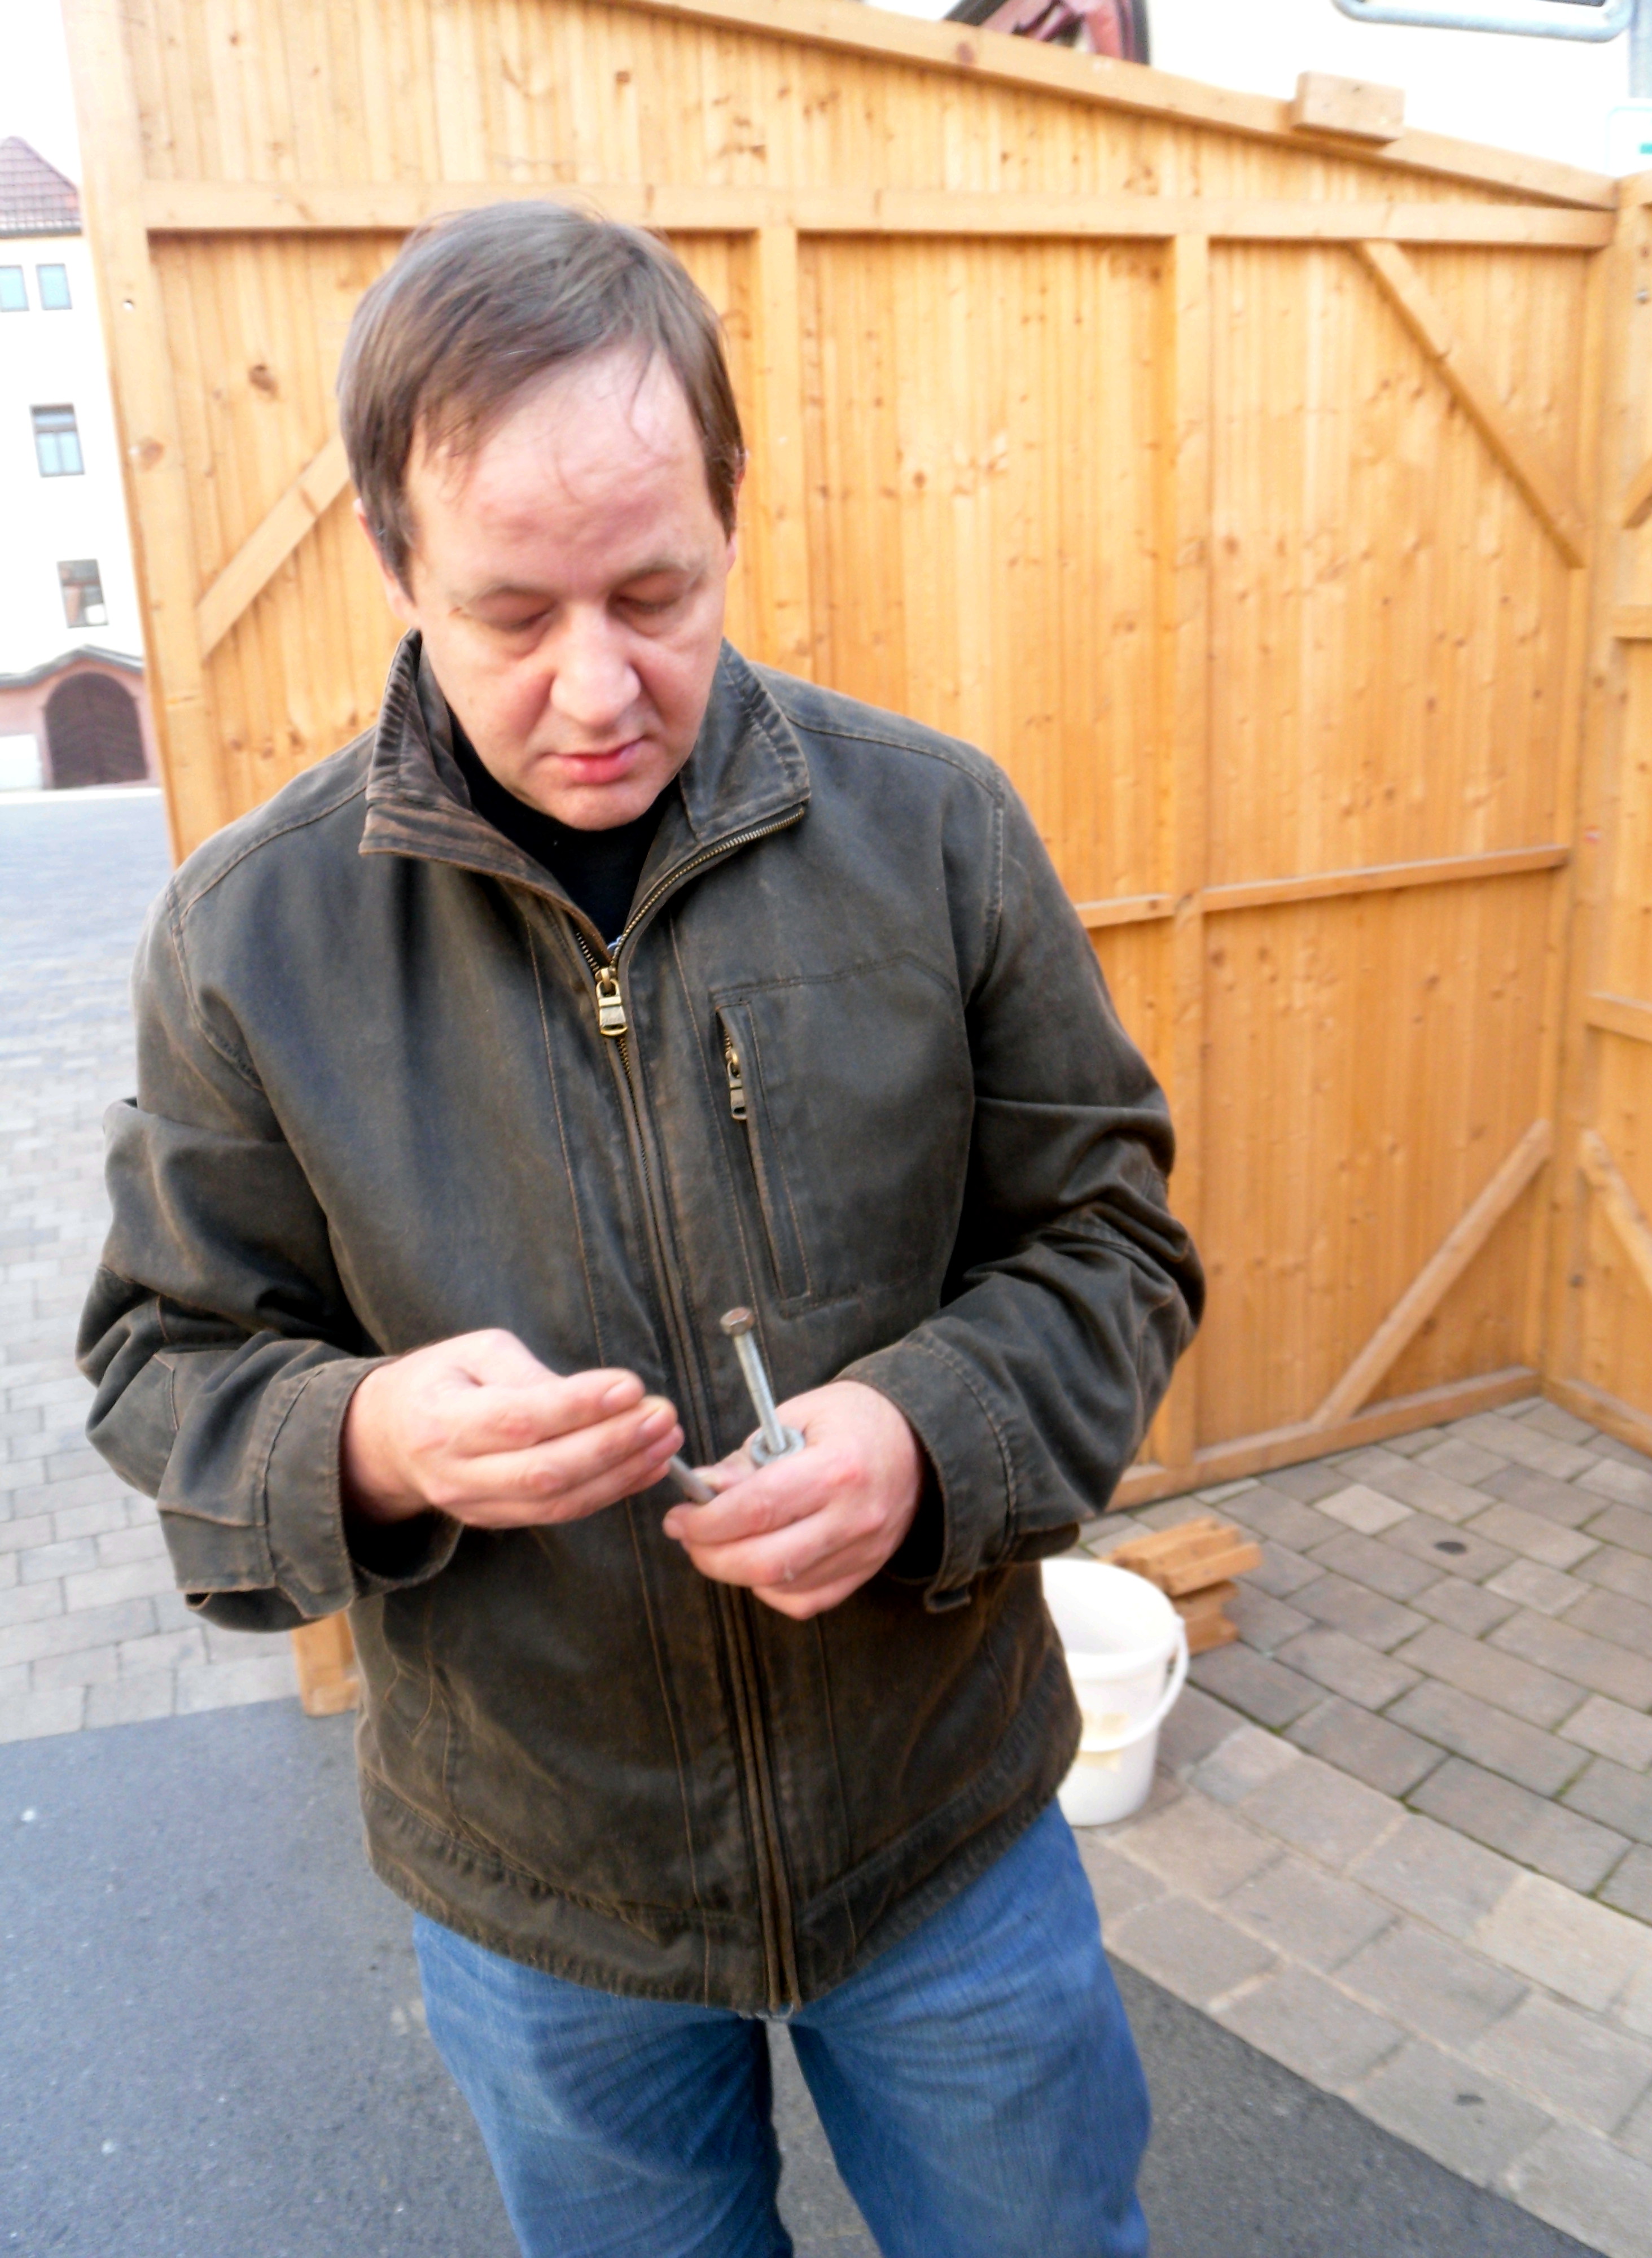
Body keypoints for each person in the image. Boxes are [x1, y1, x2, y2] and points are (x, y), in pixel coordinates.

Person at [79, 203, 1203, 2258]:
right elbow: (163, 1362)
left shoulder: (938, 830)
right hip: (544, 1889)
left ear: (730, 518)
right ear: (396, 562)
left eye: (657, 592)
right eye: (511, 612)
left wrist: (927, 1435)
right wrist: (370, 1437)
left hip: (942, 1829)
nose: (597, 687)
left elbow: (1112, 1244)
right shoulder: (251, 934)